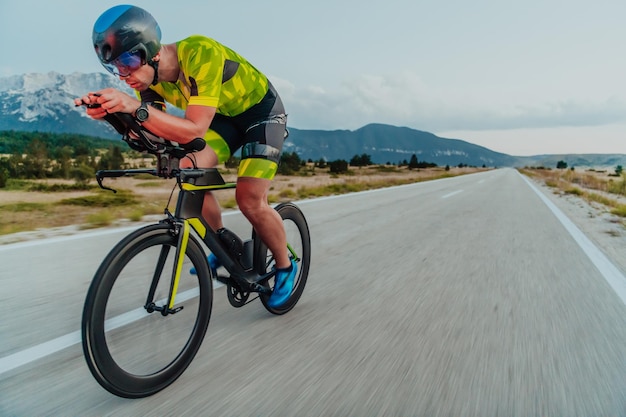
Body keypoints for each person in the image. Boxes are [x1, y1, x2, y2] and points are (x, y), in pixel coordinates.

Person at [75, 4, 296, 308]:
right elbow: (154, 136)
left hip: (261, 115)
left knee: (249, 199)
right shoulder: (150, 84)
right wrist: (113, 117)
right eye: (115, 68)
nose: (123, 75)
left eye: (127, 60)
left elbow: (192, 130)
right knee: (188, 168)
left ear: (150, 49)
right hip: (223, 119)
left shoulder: (199, 52)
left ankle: (285, 266)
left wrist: (132, 107)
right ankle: (222, 242)